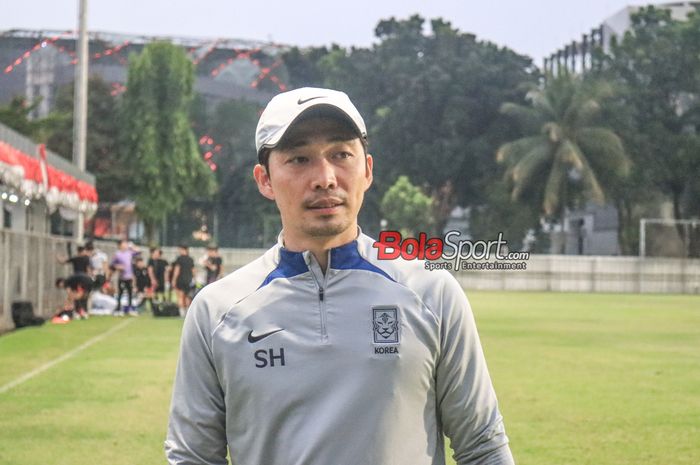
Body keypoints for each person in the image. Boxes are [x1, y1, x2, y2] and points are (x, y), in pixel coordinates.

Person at [166, 88, 514, 465]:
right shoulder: (216, 311)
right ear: (264, 180)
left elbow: (482, 446)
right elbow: (194, 458)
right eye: (299, 159)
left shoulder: (431, 293)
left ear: (366, 169)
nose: (325, 178)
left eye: (340, 155)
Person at [110, 239, 140, 316]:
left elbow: (138, 251)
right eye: (124, 244)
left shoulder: (129, 252)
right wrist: (118, 266)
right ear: (120, 245)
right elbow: (112, 265)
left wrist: (131, 246)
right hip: (122, 277)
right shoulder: (117, 254)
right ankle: (119, 309)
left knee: (130, 293)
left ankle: (129, 309)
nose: (125, 245)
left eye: (126, 244)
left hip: (129, 277)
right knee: (120, 293)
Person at [170, 245, 194, 315]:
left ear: (183, 250)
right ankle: (187, 313)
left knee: (180, 296)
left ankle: (182, 313)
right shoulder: (190, 259)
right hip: (188, 279)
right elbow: (193, 270)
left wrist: (174, 280)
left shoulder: (179, 259)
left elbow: (177, 270)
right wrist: (193, 279)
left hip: (180, 279)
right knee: (187, 296)